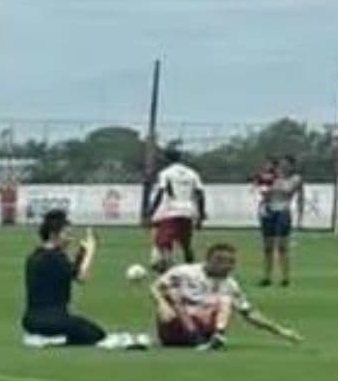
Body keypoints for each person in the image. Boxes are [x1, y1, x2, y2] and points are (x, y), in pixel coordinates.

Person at [20, 211, 145, 349]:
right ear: (53, 234)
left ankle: (46, 336)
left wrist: (82, 253)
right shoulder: (55, 257)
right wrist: (91, 250)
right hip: (53, 319)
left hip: (31, 319)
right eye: (66, 234)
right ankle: (52, 339)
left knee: (83, 331)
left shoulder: (35, 256)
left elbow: (70, 270)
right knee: (95, 333)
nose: (70, 239)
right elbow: (81, 277)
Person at [147, 244, 301, 349]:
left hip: (203, 326)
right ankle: (196, 339)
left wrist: (281, 331)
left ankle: (216, 337)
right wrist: (162, 304)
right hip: (173, 328)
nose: (228, 266)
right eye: (222, 262)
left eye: (231, 262)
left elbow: (249, 313)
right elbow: (156, 286)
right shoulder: (185, 272)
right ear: (210, 260)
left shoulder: (230, 284)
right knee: (172, 293)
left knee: (226, 299)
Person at [143, 148, 203, 268]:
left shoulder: (166, 173)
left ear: (166, 159)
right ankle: (191, 269)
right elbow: (200, 194)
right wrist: (200, 215)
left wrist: (151, 211)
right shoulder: (192, 173)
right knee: (186, 244)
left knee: (162, 241)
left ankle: (165, 265)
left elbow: (161, 192)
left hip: (171, 211)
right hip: (188, 211)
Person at [254, 154, 303, 287]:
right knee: (267, 247)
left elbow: (293, 194)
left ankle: (285, 277)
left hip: (283, 210)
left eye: (286, 164)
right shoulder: (270, 177)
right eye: (282, 164)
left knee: (282, 246)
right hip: (268, 211)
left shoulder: (295, 179)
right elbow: (262, 190)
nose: (283, 167)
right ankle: (267, 276)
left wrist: (300, 216)